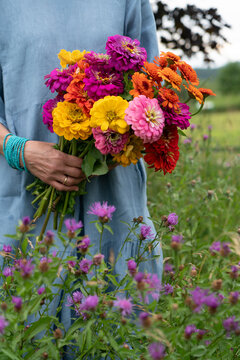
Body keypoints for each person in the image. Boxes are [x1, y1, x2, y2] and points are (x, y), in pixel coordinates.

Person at [0, 0, 163, 334]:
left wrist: (112, 136)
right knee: (29, 328)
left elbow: (151, 85)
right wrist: (19, 150)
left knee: (114, 331)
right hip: (23, 196)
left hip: (113, 195)